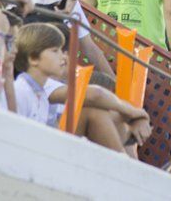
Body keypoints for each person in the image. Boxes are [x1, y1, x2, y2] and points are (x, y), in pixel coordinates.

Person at [13, 23, 151, 156]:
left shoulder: (40, 93)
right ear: (33, 59)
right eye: (55, 51)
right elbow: (95, 95)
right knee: (92, 111)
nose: (63, 57)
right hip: (32, 157)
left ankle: (128, 167)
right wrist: (135, 112)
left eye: (63, 51)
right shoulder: (23, 90)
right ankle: (126, 170)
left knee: (108, 114)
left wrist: (134, 118)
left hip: (44, 153)